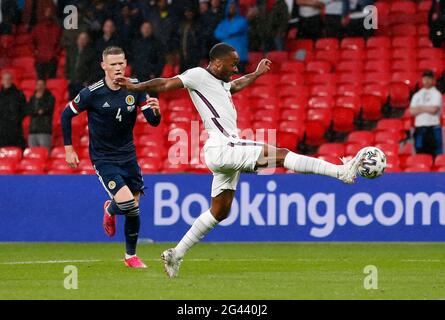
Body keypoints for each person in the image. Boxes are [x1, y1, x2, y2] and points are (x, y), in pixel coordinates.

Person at [114, 43, 367, 278]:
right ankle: (341, 172)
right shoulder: (197, 76)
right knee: (280, 154)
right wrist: (135, 88)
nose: (236, 68)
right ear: (216, 62)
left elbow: (235, 86)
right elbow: (166, 83)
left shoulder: (222, 83)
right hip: (224, 145)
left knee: (220, 211)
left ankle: (175, 254)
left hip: (224, 151)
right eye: (232, 64)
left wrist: (256, 74)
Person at [61, 46, 162, 268]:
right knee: (129, 205)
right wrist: (69, 148)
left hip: (128, 156)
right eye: (113, 64)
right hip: (104, 158)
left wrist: (157, 111)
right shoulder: (92, 93)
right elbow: (66, 114)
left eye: (121, 63)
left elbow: (153, 122)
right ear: (104, 66)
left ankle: (130, 256)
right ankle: (112, 211)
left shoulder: (135, 88)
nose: (118, 68)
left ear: (126, 64)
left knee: (133, 207)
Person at [409, 70, 443, 156]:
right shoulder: (417, 95)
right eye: (425, 78)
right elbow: (412, 111)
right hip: (419, 129)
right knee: (420, 154)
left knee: (434, 155)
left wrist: (419, 108)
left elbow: (434, 110)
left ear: (433, 80)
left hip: (432, 128)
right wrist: (427, 108)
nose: (426, 80)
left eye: (429, 78)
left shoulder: (437, 94)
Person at [214, 0, 248, 73]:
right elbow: (217, 34)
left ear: (236, 8)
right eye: (229, 7)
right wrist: (229, 33)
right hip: (226, 58)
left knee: (239, 79)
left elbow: (236, 29)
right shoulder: (223, 22)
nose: (231, 9)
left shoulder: (242, 20)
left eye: (233, 7)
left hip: (239, 56)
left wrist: (225, 33)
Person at [31, 6, 62, 79]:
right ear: (43, 13)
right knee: (40, 81)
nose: (48, 14)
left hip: (52, 59)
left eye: (50, 12)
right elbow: (30, 41)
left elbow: (60, 43)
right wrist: (35, 51)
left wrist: (55, 54)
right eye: (47, 12)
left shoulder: (57, 28)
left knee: (52, 82)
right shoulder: (37, 27)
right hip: (40, 59)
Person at [26, 79, 55, 151]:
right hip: (32, 131)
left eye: (42, 85)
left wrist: (37, 111)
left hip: (45, 130)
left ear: (45, 86)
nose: (40, 86)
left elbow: (47, 109)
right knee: (33, 155)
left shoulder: (49, 97)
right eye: (38, 84)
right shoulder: (32, 98)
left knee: (45, 153)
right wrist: (38, 111)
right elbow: (29, 111)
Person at [65, 32, 95, 99]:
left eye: (84, 39)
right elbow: (67, 65)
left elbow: (92, 69)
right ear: (77, 39)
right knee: (71, 102)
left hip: (83, 82)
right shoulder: (71, 50)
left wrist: (88, 81)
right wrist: (68, 78)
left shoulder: (91, 52)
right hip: (72, 81)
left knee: (81, 102)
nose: (82, 40)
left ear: (87, 41)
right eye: (80, 38)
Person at [0, 72, 26, 148]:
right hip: (1, 130)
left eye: (8, 79)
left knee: (15, 151)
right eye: (5, 79)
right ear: (2, 81)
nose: (7, 81)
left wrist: (16, 120)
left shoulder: (19, 94)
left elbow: (24, 109)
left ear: (12, 80)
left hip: (15, 130)